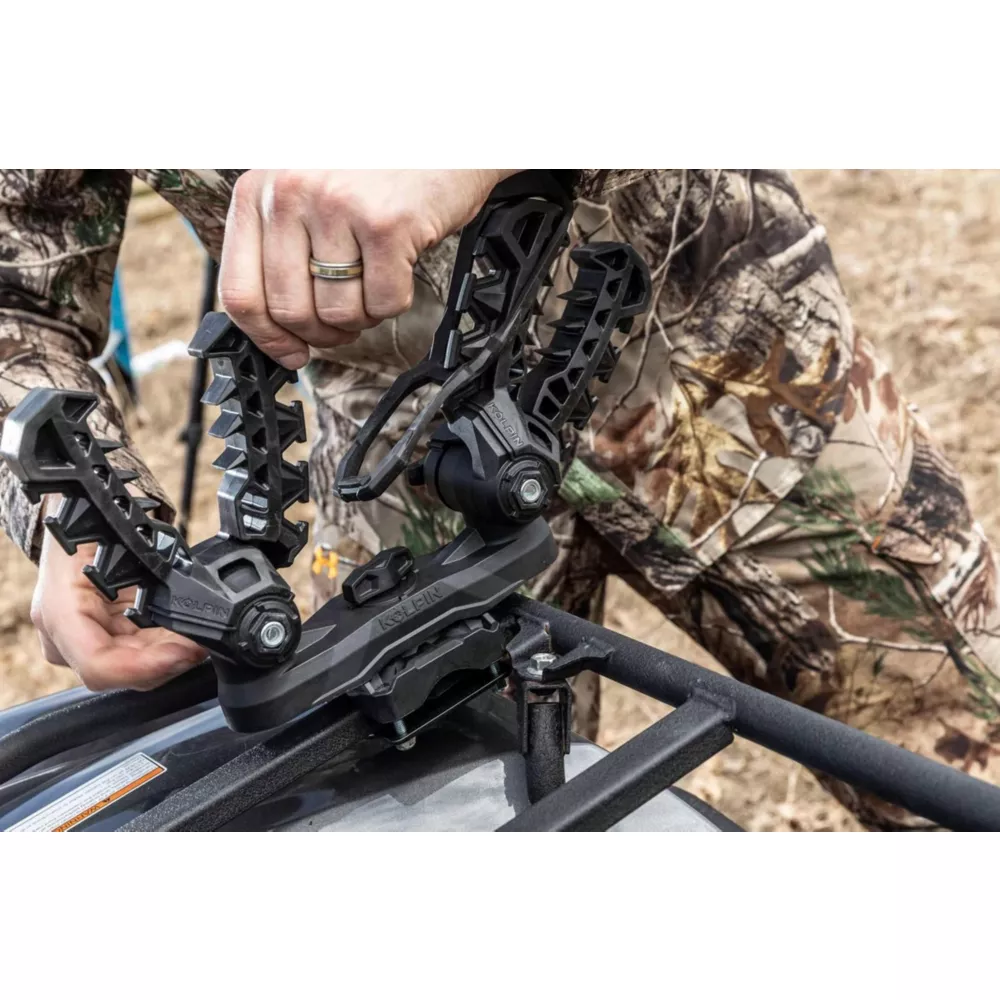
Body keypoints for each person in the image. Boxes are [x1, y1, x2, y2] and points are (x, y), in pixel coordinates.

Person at [3, 168, 1000, 829]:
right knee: (459, 821)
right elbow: (19, 283)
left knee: (955, 764)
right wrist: (68, 518)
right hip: (396, 460)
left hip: (725, 356)